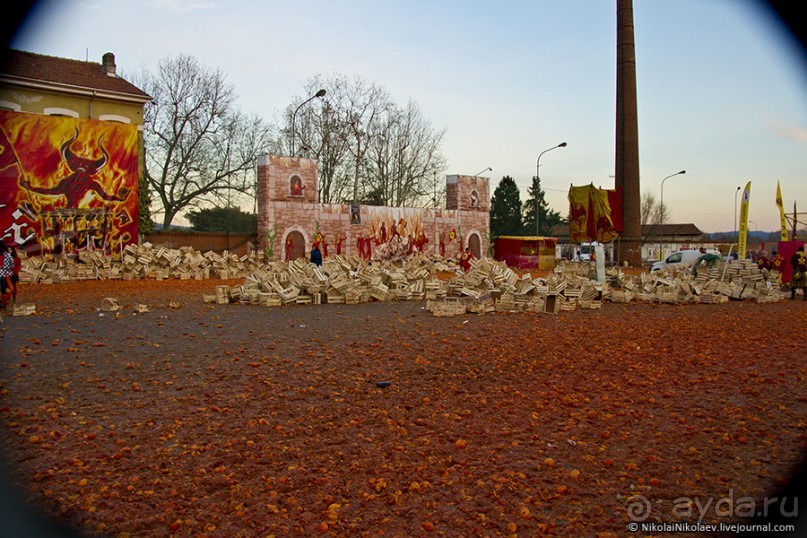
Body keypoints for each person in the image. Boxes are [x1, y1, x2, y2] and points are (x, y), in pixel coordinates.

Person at [0, 243, 12, 309]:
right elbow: (11, 264)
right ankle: (4, 304)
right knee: (3, 290)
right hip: (4, 274)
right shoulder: (7, 255)